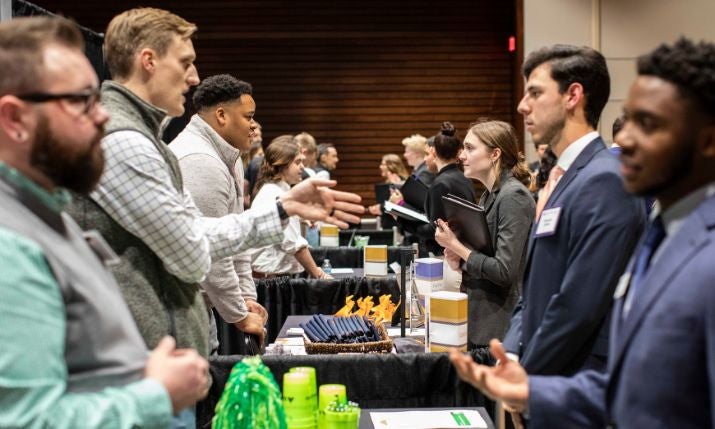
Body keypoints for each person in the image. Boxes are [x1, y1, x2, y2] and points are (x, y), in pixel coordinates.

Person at [66, 4, 362, 384]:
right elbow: (193, 253)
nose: (193, 78)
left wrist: (283, 210)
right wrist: (280, 213)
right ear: (148, 61)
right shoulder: (129, 143)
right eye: (186, 62)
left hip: (160, 353)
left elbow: (204, 237)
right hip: (144, 363)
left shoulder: (148, 139)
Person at [450, 37, 715, 429]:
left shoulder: (697, 245)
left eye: (648, 123)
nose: (623, 139)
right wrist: (528, 389)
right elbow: (631, 388)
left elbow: (577, 307)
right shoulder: (665, 231)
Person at [0, 16, 208, 428]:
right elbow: (27, 421)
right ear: (15, 120)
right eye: (80, 101)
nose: (101, 118)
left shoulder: (45, 211)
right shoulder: (11, 243)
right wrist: (155, 395)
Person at [498, 44, 645, 378]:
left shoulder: (606, 180)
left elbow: (579, 306)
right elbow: (535, 287)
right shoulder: (566, 177)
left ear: (573, 95)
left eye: (535, 93)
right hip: (543, 375)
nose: (523, 106)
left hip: (575, 380)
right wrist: (510, 352)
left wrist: (526, 375)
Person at [169, 74, 268, 352]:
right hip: (180, 313)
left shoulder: (229, 157)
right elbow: (213, 252)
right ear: (221, 115)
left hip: (199, 309)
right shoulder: (200, 160)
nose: (252, 127)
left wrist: (247, 296)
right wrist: (239, 314)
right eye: (248, 117)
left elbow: (235, 238)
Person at [434, 121, 535, 349]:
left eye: (470, 148)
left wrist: (458, 247)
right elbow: (483, 258)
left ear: (495, 154)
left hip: (502, 326)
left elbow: (503, 271)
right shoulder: (489, 196)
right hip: (484, 319)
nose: (461, 155)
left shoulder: (513, 197)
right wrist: (459, 261)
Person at [249, 140, 330, 279]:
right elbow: (295, 245)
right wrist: (319, 275)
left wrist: (300, 219)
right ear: (282, 165)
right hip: (270, 281)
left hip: (271, 278)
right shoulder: (276, 194)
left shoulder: (273, 190)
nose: (302, 167)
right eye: (297, 162)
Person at [397, 122, 476, 256]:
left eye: (426, 154)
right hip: (463, 249)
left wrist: (401, 220)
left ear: (433, 151)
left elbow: (435, 230)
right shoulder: (464, 178)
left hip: (444, 254)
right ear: (458, 152)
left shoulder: (440, 183)